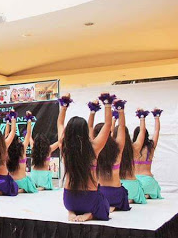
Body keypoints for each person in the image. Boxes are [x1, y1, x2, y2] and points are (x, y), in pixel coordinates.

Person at [59, 93, 112, 222]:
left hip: (69, 200)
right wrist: (107, 104)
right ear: (85, 132)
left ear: (68, 131)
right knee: (105, 205)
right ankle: (90, 214)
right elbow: (108, 125)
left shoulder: (64, 146)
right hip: (89, 200)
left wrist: (64, 105)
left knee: (73, 206)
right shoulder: (94, 148)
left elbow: (60, 123)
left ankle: (71, 212)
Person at [90, 98, 131, 212]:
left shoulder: (94, 148)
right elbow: (121, 127)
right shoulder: (118, 147)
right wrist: (120, 110)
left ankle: (107, 206)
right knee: (122, 192)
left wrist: (92, 111)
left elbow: (89, 128)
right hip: (115, 193)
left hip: (101, 192)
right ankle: (112, 205)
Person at [117, 114, 147, 204]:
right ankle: (131, 198)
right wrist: (142, 117)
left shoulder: (114, 150)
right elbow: (142, 132)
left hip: (120, 186)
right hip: (133, 186)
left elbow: (108, 132)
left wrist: (114, 118)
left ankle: (126, 199)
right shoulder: (135, 148)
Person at [134, 108, 163, 199]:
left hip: (135, 181)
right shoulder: (151, 147)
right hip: (148, 181)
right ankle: (147, 194)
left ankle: (139, 195)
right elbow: (156, 131)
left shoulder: (131, 148)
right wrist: (156, 116)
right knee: (152, 188)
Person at [7, 111, 37, 193]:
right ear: (18, 141)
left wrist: (9, 121)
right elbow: (28, 134)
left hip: (11, 182)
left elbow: (7, 135)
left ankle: (16, 190)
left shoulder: (7, 150)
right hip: (22, 181)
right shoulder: (22, 148)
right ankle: (21, 189)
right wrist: (29, 120)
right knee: (29, 181)